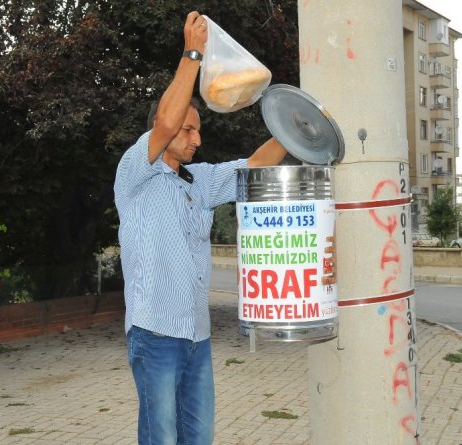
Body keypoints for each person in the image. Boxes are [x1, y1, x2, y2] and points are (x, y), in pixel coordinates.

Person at [113, 11, 287, 445]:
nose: (196, 138)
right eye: (189, 129)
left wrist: (295, 126)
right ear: (162, 129)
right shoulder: (136, 172)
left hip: (197, 336)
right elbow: (168, 121)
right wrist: (193, 53)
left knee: (198, 437)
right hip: (155, 334)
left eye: (198, 130)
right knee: (162, 438)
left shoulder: (200, 181)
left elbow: (254, 166)